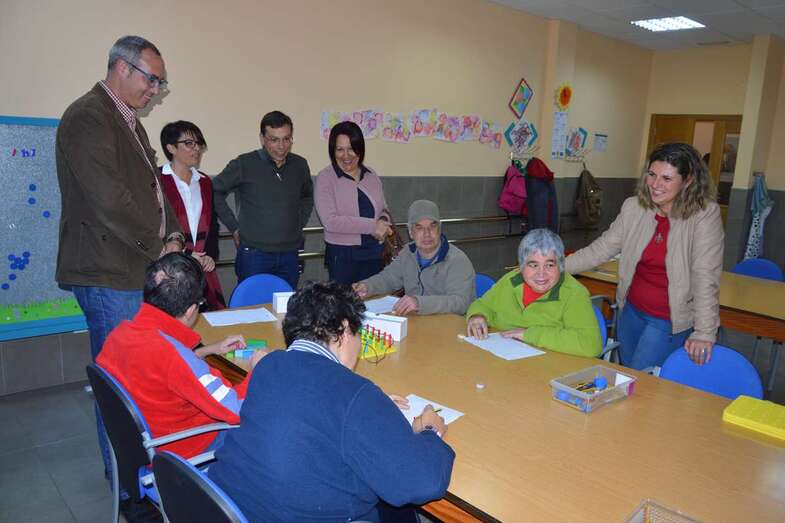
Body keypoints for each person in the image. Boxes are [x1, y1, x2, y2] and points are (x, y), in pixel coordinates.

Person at [55, 35, 184, 503]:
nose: (156, 90)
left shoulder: (128, 121)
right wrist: (159, 246)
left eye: (160, 83)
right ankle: (128, 491)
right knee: (120, 385)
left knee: (137, 379)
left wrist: (172, 235)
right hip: (108, 272)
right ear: (122, 68)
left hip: (132, 266)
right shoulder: (87, 116)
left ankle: (139, 479)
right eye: (153, 79)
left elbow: (152, 188)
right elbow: (109, 200)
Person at [209, 281, 455, 523]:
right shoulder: (354, 394)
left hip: (226, 506)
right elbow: (422, 483)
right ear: (344, 329)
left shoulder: (269, 365)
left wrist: (371, 408)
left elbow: (311, 406)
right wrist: (430, 431)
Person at [565, 142, 723, 370]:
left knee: (638, 378)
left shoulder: (704, 215)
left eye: (666, 179)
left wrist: (705, 332)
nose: (655, 185)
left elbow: (705, 275)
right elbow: (601, 249)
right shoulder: (634, 207)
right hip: (631, 310)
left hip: (667, 319)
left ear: (688, 181)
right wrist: (555, 267)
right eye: (651, 174)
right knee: (627, 371)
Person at [98, 253, 266, 459]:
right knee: (269, 421)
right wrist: (258, 371)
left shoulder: (119, 334)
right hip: (183, 451)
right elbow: (237, 409)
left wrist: (207, 350)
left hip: (144, 441)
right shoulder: (174, 358)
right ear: (191, 310)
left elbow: (159, 370)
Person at [213, 111, 313, 289]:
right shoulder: (244, 163)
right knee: (251, 309)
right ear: (262, 139)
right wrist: (234, 227)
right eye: (274, 139)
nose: (281, 146)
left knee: (287, 310)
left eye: (286, 139)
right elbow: (215, 192)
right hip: (254, 255)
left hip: (290, 254)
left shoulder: (300, 165)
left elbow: (307, 196)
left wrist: (298, 223)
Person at [466, 229, 601, 357]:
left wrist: (529, 335)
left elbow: (590, 344)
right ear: (521, 266)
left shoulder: (574, 293)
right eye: (533, 265)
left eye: (549, 265)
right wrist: (477, 316)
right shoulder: (511, 280)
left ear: (560, 266)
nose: (541, 274)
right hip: (501, 359)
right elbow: (483, 304)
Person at [354, 200, 476, 315]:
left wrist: (419, 303)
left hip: (449, 327)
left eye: (432, 226)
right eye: (419, 227)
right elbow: (389, 278)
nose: (427, 233)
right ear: (411, 232)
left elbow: (460, 302)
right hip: (417, 322)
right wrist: (367, 286)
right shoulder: (408, 253)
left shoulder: (457, 260)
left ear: (439, 229)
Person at [159, 120, 226, 310]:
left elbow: (212, 224)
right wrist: (187, 255)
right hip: (169, 267)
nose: (196, 149)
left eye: (198, 144)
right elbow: (154, 226)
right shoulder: (157, 180)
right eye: (189, 144)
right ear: (171, 147)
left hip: (202, 267)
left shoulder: (204, 181)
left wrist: (210, 256)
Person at [315, 121, 392, 284]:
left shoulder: (371, 174)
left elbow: (384, 208)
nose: (346, 155)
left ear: (360, 149)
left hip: (374, 253)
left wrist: (383, 222)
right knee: (343, 306)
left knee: (373, 304)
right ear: (332, 151)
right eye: (340, 149)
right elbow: (331, 221)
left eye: (351, 148)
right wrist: (372, 226)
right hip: (342, 256)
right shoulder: (326, 178)